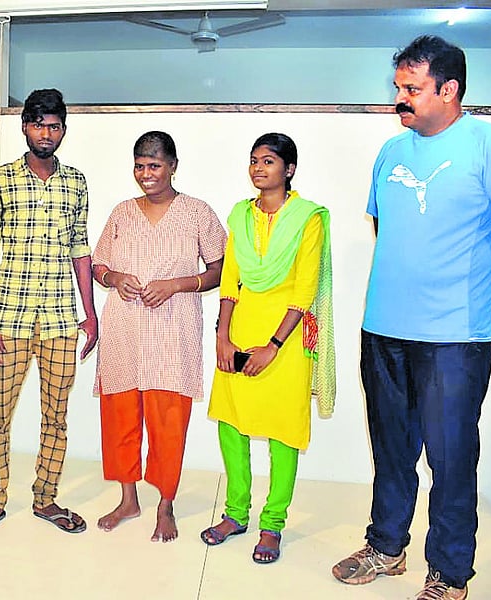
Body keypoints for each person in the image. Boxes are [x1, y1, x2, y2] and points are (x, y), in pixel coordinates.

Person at [332, 36, 491, 600]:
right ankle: (386, 547)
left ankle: (449, 575)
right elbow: (389, 232)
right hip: (383, 331)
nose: (399, 100)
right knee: (391, 451)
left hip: (454, 339)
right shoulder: (391, 153)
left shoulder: (490, 147)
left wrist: (480, 295)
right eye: (397, 88)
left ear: (449, 90)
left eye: (412, 89)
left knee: (452, 462)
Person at [0, 88, 98, 539]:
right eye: (39, 124)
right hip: (8, 318)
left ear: (64, 129)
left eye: (55, 125)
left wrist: (90, 313)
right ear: (24, 126)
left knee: (55, 415)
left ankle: (46, 498)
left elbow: (80, 247)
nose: (47, 133)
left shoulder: (76, 182)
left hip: (61, 319)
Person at [200, 132, 334, 565]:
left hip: (287, 336)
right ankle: (236, 513)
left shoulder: (308, 218)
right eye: (254, 160)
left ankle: (273, 522)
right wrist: (222, 335)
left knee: (282, 431)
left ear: (289, 170)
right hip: (240, 326)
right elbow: (230, 279)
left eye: (269, 161)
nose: (259, 168)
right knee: (231, 422)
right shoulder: (239, 214)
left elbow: (306, 287)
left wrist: (274, 345)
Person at [92, 131, 226, 542]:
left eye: (154, 166)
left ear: (172, 166)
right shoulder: (121, 213)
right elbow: (98, 265)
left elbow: (222, 270)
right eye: (139, 166)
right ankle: (128, 499)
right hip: (123, 334)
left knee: (168, 422)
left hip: (173, 334)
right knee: (120, 418)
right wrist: (115, 276)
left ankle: (165, 504)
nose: (146, 174)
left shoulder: (197, 212)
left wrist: (177, 284)